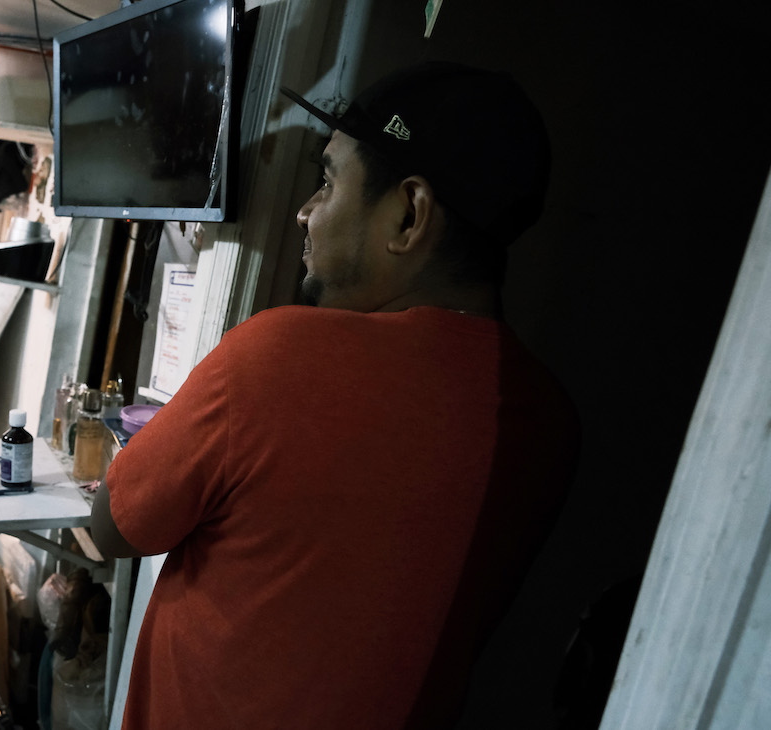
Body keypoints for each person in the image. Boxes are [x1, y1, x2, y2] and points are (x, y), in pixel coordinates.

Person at [90, 62, 581, 729]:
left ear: (408, 215)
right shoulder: (549, 425)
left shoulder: (280, 357)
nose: (304, 210)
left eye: (327, 182)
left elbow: (113, 526)